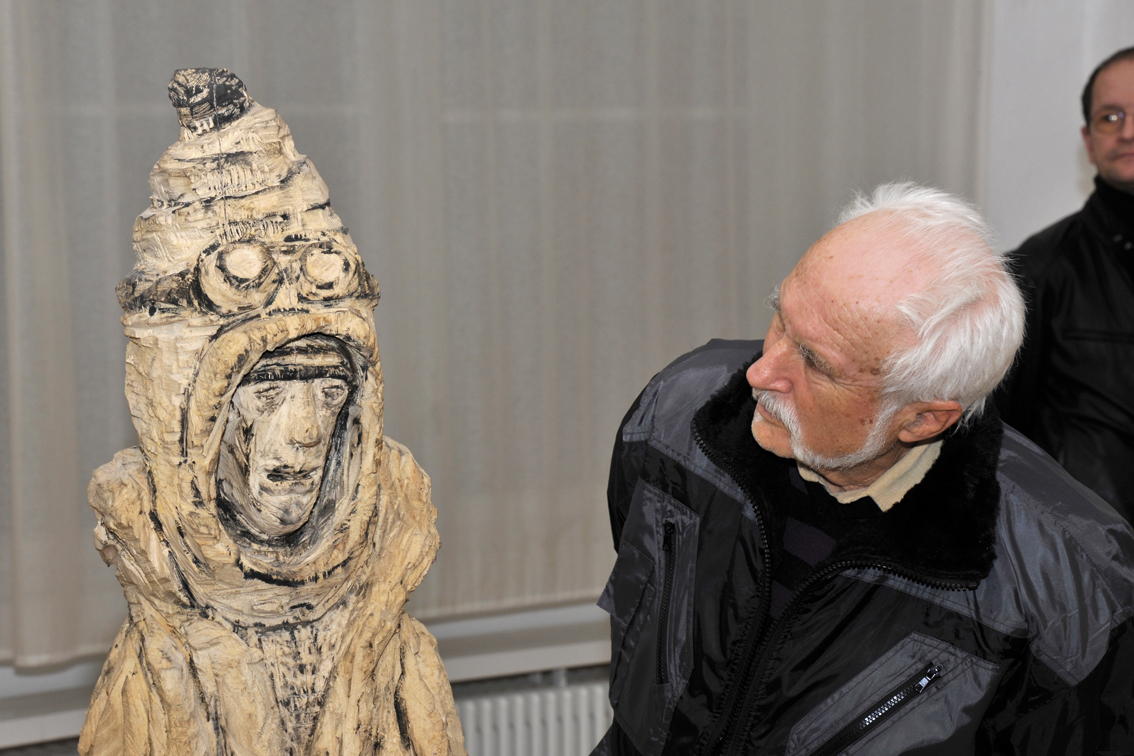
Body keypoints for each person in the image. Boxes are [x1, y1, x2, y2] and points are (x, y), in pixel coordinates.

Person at [593, 183, 1134, 756]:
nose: (760, 371)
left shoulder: (1069, 585)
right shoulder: (679, 409)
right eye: (781, 319)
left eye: (816, 363)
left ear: (922, 419)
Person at [995, 46, 1134, 522]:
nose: (1127, 131)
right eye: (1110, 117)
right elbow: (997, 439)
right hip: (1091, 565)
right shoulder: (1037, 270)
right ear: (1089, 140)